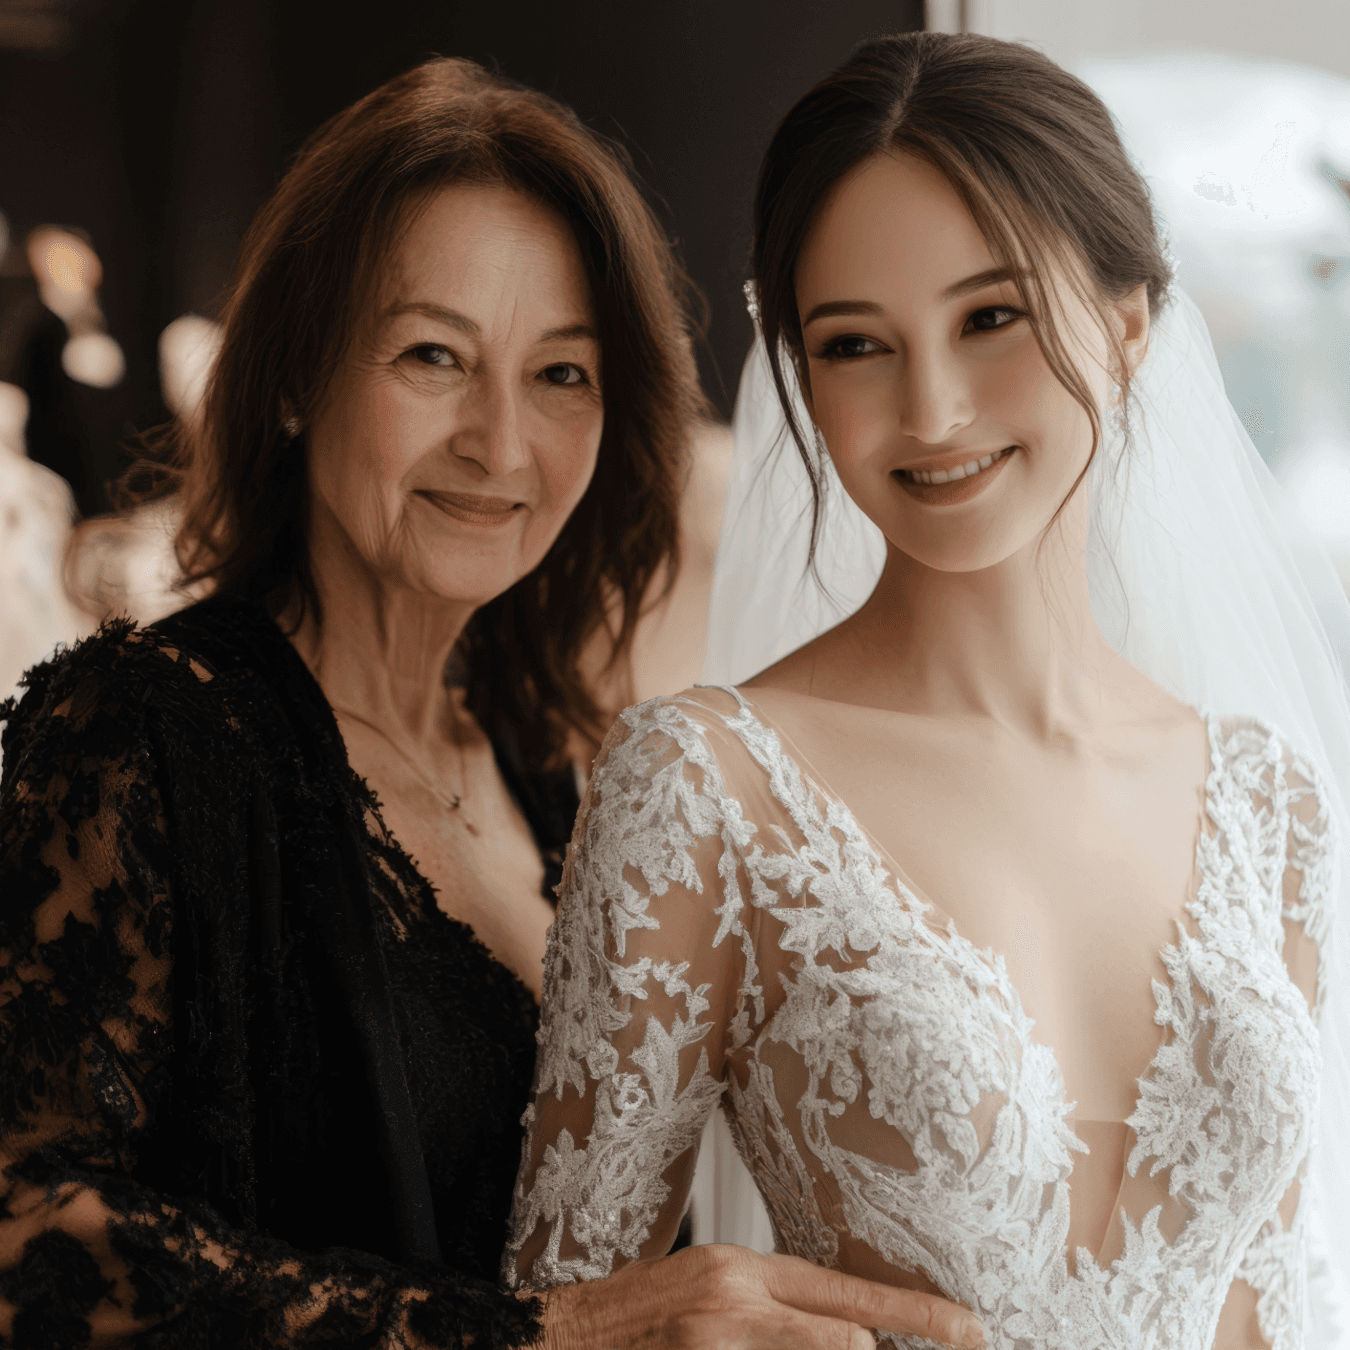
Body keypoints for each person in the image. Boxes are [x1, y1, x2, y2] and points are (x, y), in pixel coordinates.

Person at [0, 56, 979, 1350]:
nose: (501, 443)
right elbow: (23, 1229)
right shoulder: (140, 729)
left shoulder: (553, 766)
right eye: (432, 356)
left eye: (561, 373)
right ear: (291, 375)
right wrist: (541, 1335)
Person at [505, 31, 1350, 1349]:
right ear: (801, 377)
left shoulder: (1267, 806)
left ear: (1128, 326)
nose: (934, 408)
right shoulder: (703, 787)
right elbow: (557, 1314)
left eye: (990, 317)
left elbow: (1273, 1306)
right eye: (856, 344)